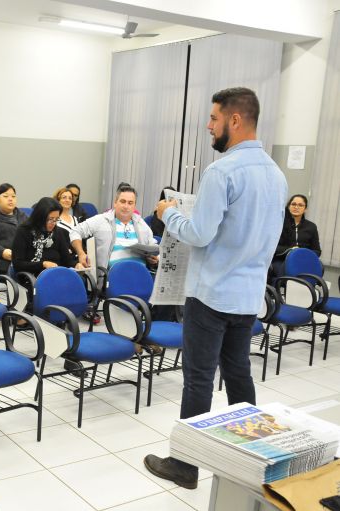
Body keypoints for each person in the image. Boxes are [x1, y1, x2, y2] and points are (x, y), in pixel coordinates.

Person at [143, 87, 288, 490]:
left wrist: (168, 213)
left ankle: (185, 466)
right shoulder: (276, 175)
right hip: (247, 295)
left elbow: (200, 233)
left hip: (210, 295)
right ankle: (258, 457)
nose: (209, 125)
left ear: (234, 120)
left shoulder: (221, 171)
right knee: (239, 373)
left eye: (213, 118)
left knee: (199, 378)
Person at [68, 183, 158, 273]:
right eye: (123, 201)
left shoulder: (142, 225)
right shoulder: (101, 220)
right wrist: (81, 253)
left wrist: (154, 258)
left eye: (130, 203)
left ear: (134, 206)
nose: (126, 206)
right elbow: (75, 231)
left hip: (140, 274)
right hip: (112, 276)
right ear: (115, 203)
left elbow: (154, 248)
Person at [11, 197, 81, 277]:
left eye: (56, 219)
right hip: (31, 277)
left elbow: (67, 260)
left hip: (56, 275)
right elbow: (18, 264)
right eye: (50, 219)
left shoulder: (58, 232)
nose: (53, 223)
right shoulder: (24, 231)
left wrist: (76, 265)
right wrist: (43, 264)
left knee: (80, 280)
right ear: (40, 217)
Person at [271, 194, 321, 279]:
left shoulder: (311, 227)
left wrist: (302, 253)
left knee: (319, 268)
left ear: (305, 209)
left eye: (300, 205)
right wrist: (291, 250)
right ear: (289, 206)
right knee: (286, 270)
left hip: (304, 261)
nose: (296, 207)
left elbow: (317, 251)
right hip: (282, 260)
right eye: (293, 204)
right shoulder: (279, 224)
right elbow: (272, 247)